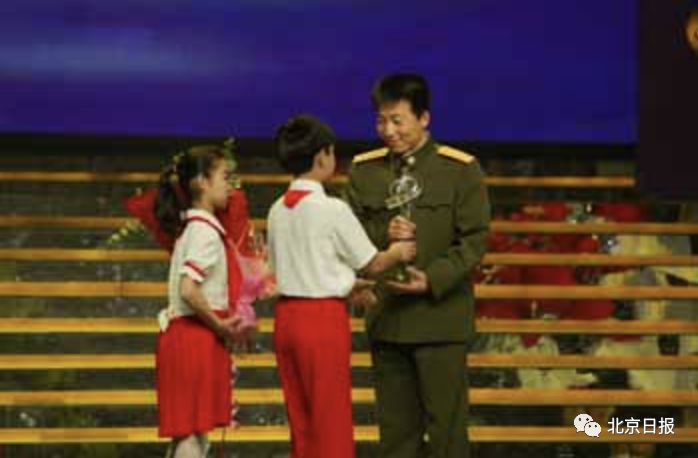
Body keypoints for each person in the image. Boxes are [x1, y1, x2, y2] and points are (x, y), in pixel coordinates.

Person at [346, 73, 491, 458]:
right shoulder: (364, 170)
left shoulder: (460, 169)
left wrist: (431, 279)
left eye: (398, 120)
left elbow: (474, 241)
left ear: (424, 118)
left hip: (441, 321)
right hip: (388, 320)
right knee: (396, 437)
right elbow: (349, 236)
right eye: (381, 121)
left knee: (447, 435)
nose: (388, 131)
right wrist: (383, 235)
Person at [267, 114, 416, 458]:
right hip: (321, 322)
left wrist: (347, 285)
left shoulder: (277, 210)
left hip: (286, 320)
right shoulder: (330, 208)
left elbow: (296, 268)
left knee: (302, 421)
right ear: (323, 156)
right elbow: (372, 262)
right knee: (330, 418)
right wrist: (398, 252)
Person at [153, 145, 244, 458]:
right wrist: (220, 325)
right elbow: (188, 289)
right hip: (194, 338)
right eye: (225, 177)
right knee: (192, 434)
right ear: (202, 182)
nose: (230, 185)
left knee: (190, 434)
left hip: (186, 337)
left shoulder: (193, 229)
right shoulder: (204, 231)